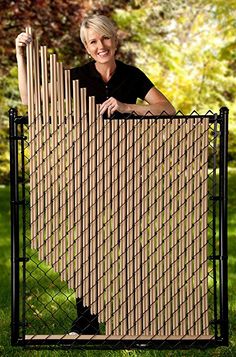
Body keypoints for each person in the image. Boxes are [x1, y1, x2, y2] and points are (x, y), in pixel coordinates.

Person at [15, 14, 175, 335]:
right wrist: (20, 55)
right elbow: (30, 100)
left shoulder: (132, 76)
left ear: (114, 39)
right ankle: (86, 320)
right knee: (89, 247)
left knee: (132, 244)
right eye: (92, 42)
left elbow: (168, 109)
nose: (100, 46)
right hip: (87, 171)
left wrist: (129, 107)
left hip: (128, 170)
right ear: (87, 49)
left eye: (104, 38)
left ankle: (135, 317)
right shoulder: (74, 77)